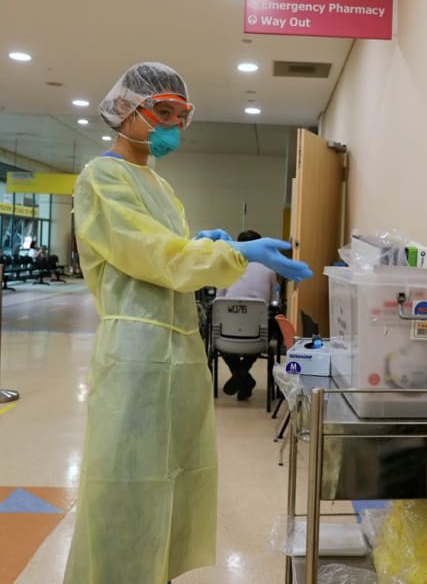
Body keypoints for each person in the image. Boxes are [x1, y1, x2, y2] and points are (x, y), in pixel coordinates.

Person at [63, 62, 312, 584]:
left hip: (177, 351)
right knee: (126, 486)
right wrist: (236, 252)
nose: (172, 125)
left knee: (170, 482)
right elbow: (156, 256)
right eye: (163, 112)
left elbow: (171, 251)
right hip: (135, 351)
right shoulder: (102, 177)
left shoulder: (159, 185)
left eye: (182, 115)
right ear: (126, 110)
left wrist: (209, 241)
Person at [216, 229, 277, 401]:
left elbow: (218, 302)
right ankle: (244, 374)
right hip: (256, 338)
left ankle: (241, 375)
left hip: (226, 338)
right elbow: (272, 302)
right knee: (265, 327)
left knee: (218, 336)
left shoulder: (227, 267)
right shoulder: (270, 269)